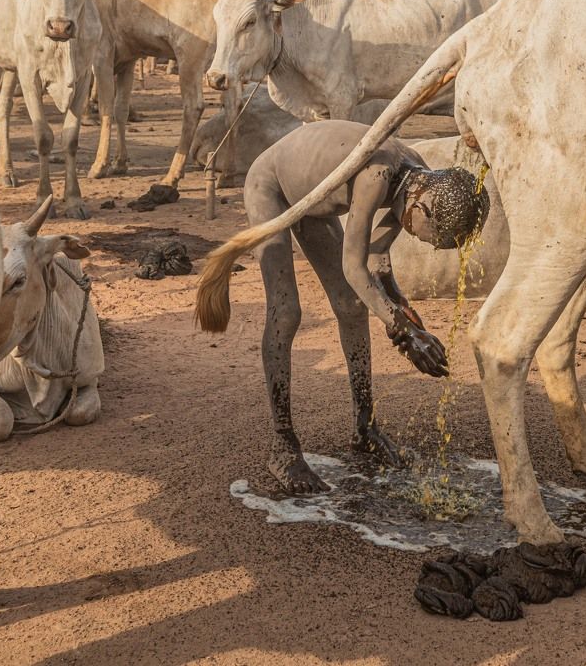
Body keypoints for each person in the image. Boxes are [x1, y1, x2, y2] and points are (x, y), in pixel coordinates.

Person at [196, 120, 490, 494]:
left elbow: (378, 258)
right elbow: (355, 268)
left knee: (352, 306)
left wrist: (404, 315)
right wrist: (399, 327)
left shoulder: (414, 176)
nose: (422, 241)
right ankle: (283, 446)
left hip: (312, 199)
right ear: (426, 207)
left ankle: (365, 428)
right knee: (286, 313)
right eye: (428, 238)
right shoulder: (378, 174)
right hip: (272, 188)